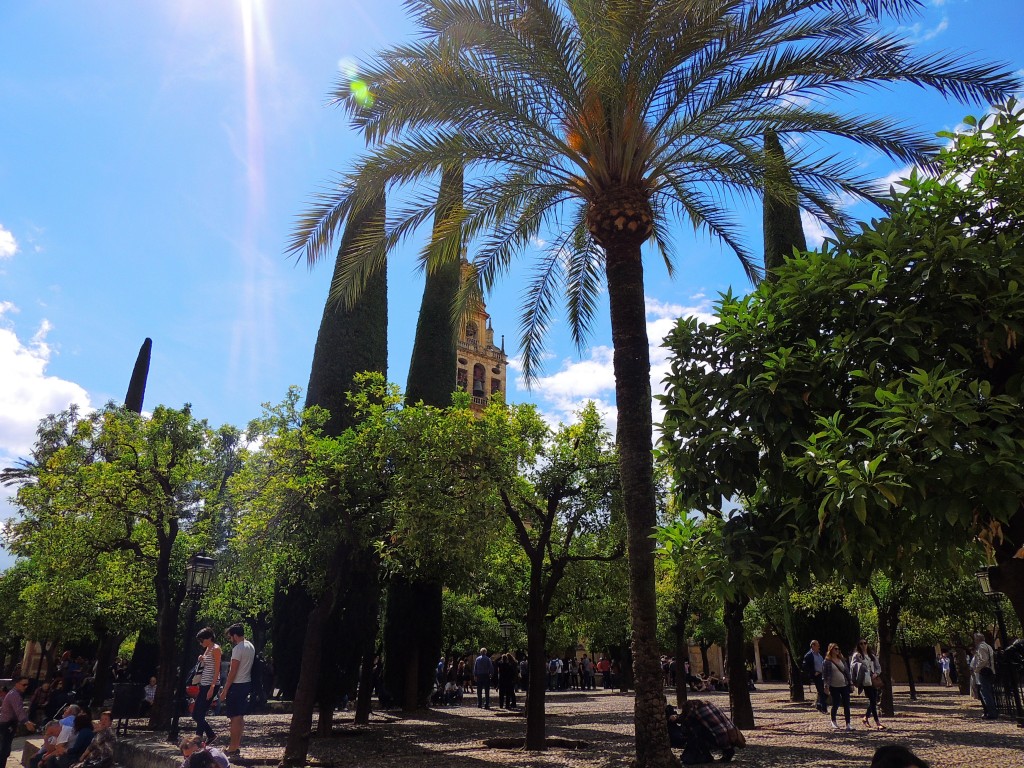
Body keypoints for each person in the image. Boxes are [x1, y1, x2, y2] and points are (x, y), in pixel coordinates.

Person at [220, 623, 255, 756]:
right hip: (246, 683)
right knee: (240, 717)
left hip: (236, 685)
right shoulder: (250, 646)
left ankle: (232, 747)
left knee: (234, 718)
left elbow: (233, 671)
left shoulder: (238, 649)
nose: (230, 640)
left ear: (235, 635)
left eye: (230, 637)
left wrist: (224, 690)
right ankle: (236, 745)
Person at [678, 698, 744, 763]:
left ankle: (704, 754)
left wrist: (675, 718)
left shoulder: (695, 710)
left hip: (722, 738)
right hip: (733, 734)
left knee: (696, 730)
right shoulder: (709, 705)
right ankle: (727, 751)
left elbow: (685, 719)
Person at [192, 627, 222, 745]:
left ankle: (199, 738)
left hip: (211, 684)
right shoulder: (207, 649)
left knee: (199, 713)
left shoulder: (216, 649)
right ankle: (208, 735)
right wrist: (201, 659)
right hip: (204, 683)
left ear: (209, 638)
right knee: (197, 713)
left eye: (202, 640)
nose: (201, 643)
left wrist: (212, 687)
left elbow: (217, 669)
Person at [0, 677, 37, 768]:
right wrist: (26, 722)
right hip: (7, 725)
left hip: (7, 724)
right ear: (17, 684)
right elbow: (19, 710)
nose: (26, 687)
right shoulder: (14, 695)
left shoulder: (14, 694)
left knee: (4, 749)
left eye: (27, 685)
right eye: (24, 684)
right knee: (4, 750)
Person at [851, 639, 885, 730]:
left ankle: (865, 718)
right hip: (865, 681)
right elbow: (853, 667)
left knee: (873, 700)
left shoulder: (872, 655)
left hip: (873, 680)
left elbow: (878, 667)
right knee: (873, 700)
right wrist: (860, 667)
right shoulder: (857, 655)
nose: (863, 645)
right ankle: (878, 723)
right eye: (861, 643)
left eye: (865, 643)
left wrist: (876, 674)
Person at [822, 642, 853, 730]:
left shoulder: (842, 660)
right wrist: (826, 686)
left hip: (844, 684)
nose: (837, 650)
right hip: (834, 686)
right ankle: (833, 721)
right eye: (835, 649)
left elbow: (847, 672)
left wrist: (850, 683)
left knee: (847, 704)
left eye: (838, 649)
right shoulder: (827, 662)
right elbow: (825, 675)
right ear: (831, 650)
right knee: (836, 703)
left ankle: (848, 724)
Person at [970, 632, 997, 719]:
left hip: (984, 671)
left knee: (985, 693)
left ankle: (991, 713)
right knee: (988, 692)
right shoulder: (988, 646)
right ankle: (991, 711)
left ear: (977, 640)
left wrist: (977, 669)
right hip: (990, 671)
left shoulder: (981, 647)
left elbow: (983, 660)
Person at [802, 640, 827, 713]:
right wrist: (813, 673)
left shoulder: (819, 654)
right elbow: (805, 667)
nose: (819, 646)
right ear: (813, 646)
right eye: (817, 645)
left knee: (824, 691)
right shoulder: (808, 655)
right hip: (817, 675)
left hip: (823, 674)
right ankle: (824, 708)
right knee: (821, 691)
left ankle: (819, 704)